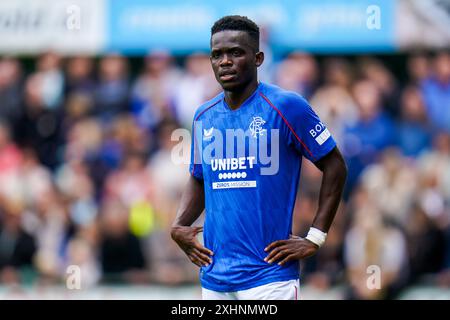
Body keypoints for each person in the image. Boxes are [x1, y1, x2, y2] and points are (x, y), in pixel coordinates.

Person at [171, 15, 347, 300]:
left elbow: (335, 165)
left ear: (258, 58)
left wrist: (315, 237)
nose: (225, 61)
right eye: (217, 55)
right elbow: (198, 175)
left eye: (236, 53)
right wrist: (179, 225)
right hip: (215, 277)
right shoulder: (203, 115)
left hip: (269, 275)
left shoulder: (286, 106)